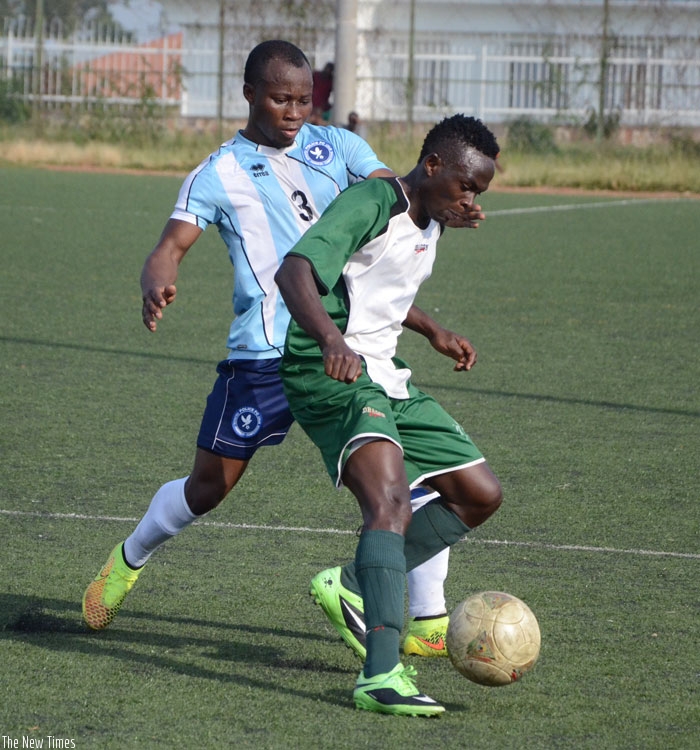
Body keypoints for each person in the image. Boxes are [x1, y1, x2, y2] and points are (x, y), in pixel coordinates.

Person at [81, 41, 476, 649]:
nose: (294, 111)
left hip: (346, 349)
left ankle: (425, 620)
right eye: (279, 98)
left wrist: (431, 313)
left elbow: (386, 237)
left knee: (411, 484)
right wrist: (157, 276)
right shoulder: (218, 173)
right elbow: (171, 245)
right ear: (248, 95)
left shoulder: (338, 148)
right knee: (209, 487)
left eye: (303, 99)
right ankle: (129, 558)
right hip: (265, 353)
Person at [275, 114, 502, 716]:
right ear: (431, 166)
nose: (470, 198)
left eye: (479, 190)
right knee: (391, 505)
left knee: (478, 493)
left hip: (384, 371)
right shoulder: (373, 200)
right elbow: (295, 270)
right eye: (465, 186)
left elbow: (379, 285)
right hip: (328, 370)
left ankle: (354, 581)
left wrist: (433, 329)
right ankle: (380, 676)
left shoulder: (434, 217)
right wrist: (329, 340)